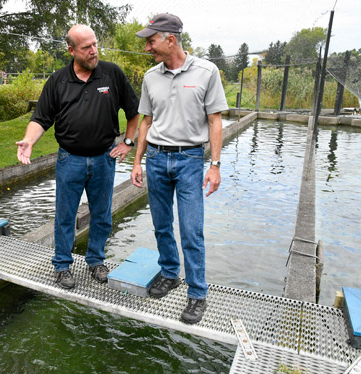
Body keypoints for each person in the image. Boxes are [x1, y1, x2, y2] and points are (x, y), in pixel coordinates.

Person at [16, 24, 140, 289]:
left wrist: (128, 142)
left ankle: (96, 261)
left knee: (102, 214)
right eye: (86, 47)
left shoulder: (112, 74)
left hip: (104, 159)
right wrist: (28, 140)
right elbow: (41, 118)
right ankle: (62, 267)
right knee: (65, 215)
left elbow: (133, 111)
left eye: (95, 44)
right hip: (69, 159)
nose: (94, 51)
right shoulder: (58, 80)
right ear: (71, 50)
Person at [132, 13, 228, 324]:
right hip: (157, 159)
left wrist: (214, 165)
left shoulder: (206, 71)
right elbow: (146, 121)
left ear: (170, 39)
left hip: (189, 160)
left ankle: (197, 293)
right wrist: (137, 161)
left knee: (191, 230)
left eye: (151, 40)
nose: (148, 47)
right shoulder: (150, 77)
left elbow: (215, 120)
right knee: (161, 225)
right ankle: (171, 273)